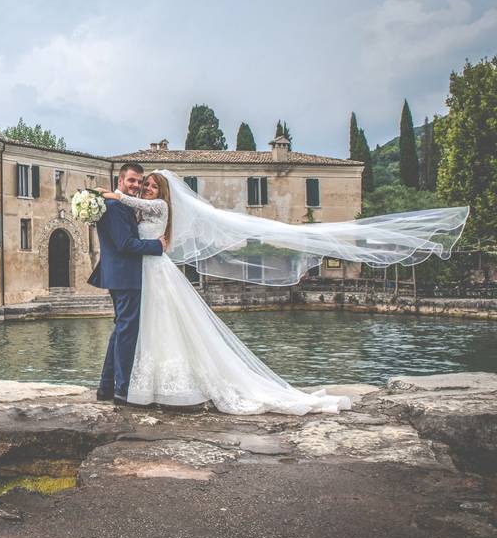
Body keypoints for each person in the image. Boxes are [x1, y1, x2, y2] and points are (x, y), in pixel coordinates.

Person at [99, 170, 468, 415]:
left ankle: (150, 388)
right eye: (140, 184)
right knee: (148, 328)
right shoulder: (135, 208)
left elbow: (138, 213)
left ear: (161, 191)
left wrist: (112, 193)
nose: (144, 188)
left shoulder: (156, 205)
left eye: (148, 185)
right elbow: (131, 232)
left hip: (156, 269)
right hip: (146, 272)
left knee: (156, 325)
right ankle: (143, 386)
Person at [87, 163, 167, 405]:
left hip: (122, 275)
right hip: (126, 276)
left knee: (120, 330)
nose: (137, 185)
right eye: (132, 180)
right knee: (126, 333)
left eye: (139, 182)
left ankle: (106, 387)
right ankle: (122, 390)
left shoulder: (118, 204)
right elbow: (125, 244)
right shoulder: (115, 207)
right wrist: (158, 246)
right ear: (120, 181)